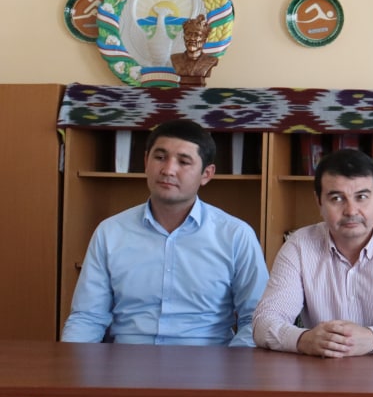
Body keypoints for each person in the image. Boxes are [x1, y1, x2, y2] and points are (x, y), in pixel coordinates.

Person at [62, 119, 267, 346]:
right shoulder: (110, 232)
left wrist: (234, 365)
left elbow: (256, 320)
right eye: (160, 157)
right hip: (127, 360)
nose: (168, 170)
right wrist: (71, 364)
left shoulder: (235, 235)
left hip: (208, 362)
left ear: (206, 174)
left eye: (183, 162)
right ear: (146, 162)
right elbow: (88, 317)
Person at [253, 148, 373, 356]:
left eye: (361, 197)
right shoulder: (299, 245)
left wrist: (372, 338)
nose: (351, 211)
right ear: (319, 201)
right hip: (323, 367)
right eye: (337, 198)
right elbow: (264, 323)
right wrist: (303, 340)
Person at [170, 14, 219, 87]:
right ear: (184, 38)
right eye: (188, 34)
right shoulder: (175, 58)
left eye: (197, 35)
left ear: (205, 40)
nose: (192, 38)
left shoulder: (211, 60)